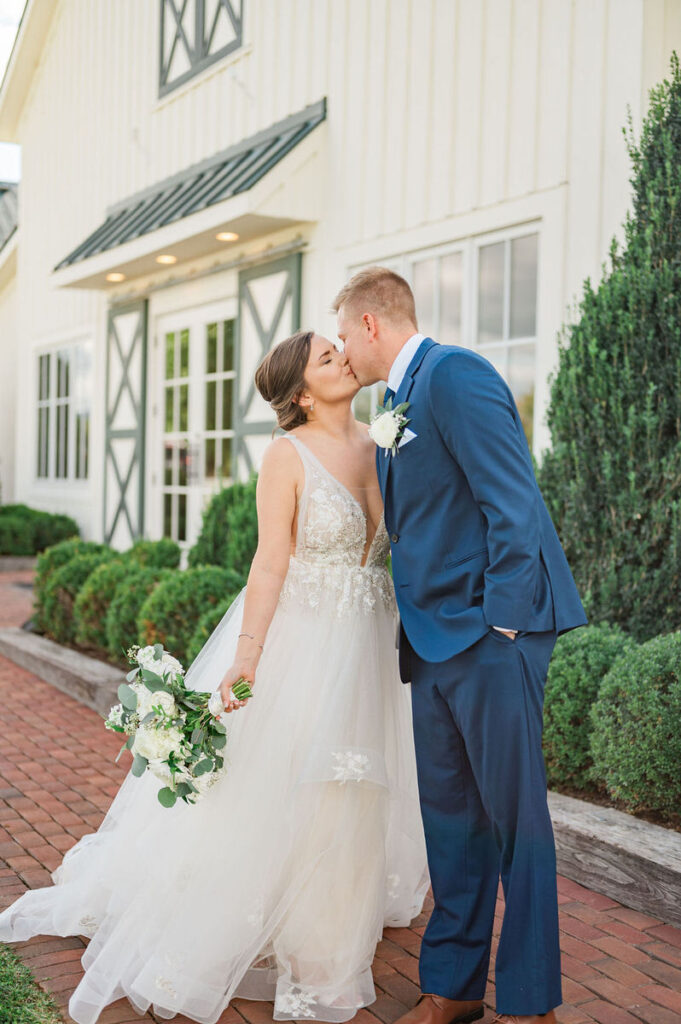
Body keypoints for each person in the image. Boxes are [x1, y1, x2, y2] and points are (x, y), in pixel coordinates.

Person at [0, 330, 430, 1024]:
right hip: (306, 641)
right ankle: (278, 927)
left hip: (370, 643)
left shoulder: (382, 445)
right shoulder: (284, 457)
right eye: (326, 357)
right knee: (299, 778)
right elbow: (268, 563)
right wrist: (249, 654)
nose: (344, 359)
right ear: (298, 392)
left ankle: (328, 923)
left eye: (338, 350)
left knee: (358, 780)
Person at [334, 267, 588, 1024]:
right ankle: (451, 989)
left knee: (514, 823)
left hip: (488, 636)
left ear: (372, 325)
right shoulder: (393, 401)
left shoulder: (456, 375)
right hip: (433, 641)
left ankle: (531, 1000)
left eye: (345, 333)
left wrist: (502, 621)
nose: (343, 349)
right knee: (450, 820)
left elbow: (511, 501)